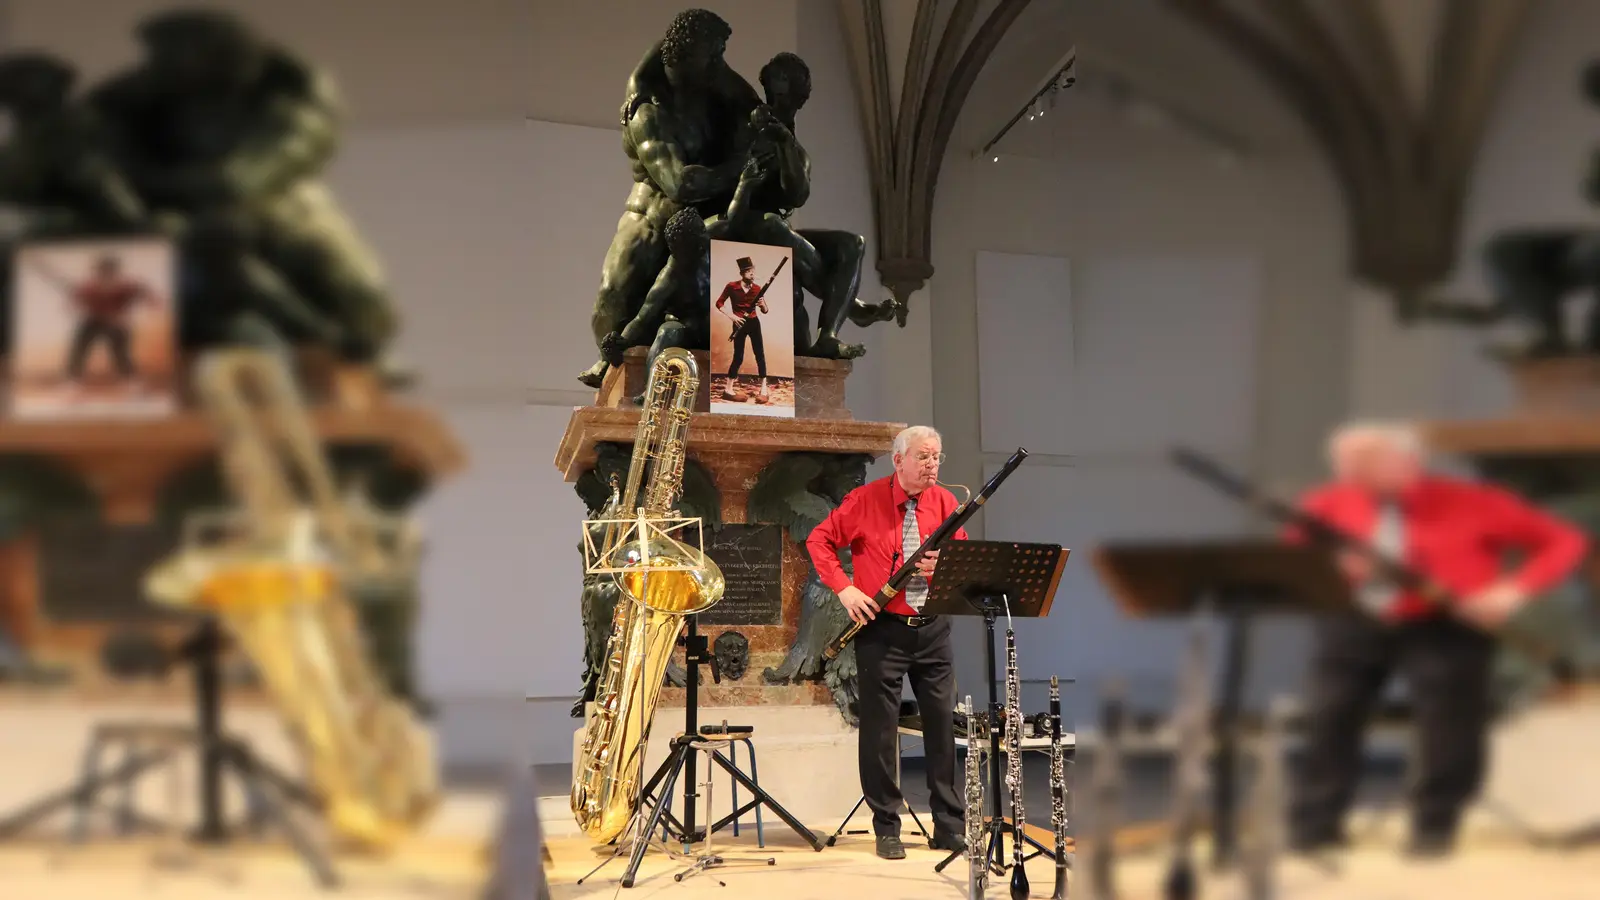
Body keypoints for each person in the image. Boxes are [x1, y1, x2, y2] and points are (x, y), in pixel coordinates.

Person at [1284, 422, 1588, 858]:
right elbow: (1294, 553)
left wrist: (1513, 591)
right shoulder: (1326, 502)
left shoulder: (1474, 501)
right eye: (1344, 465)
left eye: (1364, 465)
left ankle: (1434, 826)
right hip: (1353, 618)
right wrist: (1334, 566)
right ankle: (1315, 825)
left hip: (1446, 621)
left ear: (1410, 462)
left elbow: (1565, 541)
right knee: (1330, 713)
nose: (1350, 476)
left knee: (1448, 724)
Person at [805, 425, 966, 860]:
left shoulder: (947, 503)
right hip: (883, 629)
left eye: (937, 456)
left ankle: (949, 825)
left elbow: (962, 561)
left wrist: (941, 567)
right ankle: (886, 826)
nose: (932, 464)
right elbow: (818, 540)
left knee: (942, 727)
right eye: (923, 456)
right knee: (879, 732)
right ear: (899, 460)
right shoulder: (865, 500)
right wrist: (843, 588)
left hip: (933, 628)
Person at [31, 253, 160, 387]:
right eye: (102, 271)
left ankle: (129, 380)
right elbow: (75, 300)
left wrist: (152, 303)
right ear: (98, 272)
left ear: (115, 271)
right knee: (79, 347)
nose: (105, 274)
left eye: (109, 271)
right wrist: (72, 304)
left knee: (121, 352)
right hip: (93, 321)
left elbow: (143, 292)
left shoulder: (126, 286)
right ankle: (73, 379)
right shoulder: (89, 287)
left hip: (116, 324)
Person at [715, 255, 770, 403]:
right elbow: (719, 303)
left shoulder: (758, 289)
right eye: (748, 271)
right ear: (742, 274)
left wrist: (762, 304)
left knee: (760, 354)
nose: (752, 273)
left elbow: (765, 310)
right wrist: (732, 316)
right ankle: (728, 389)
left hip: (754, 323)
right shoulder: (732, 286)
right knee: (738, 356)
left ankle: (764, 389)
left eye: (753, 270)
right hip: (739, 323)